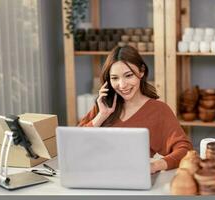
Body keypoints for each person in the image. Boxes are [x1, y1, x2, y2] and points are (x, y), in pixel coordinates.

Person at [78, 45, 193, 174]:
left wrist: (155, 166)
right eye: (115, 78)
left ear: (141, 71)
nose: (122, 85)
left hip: (134, 181)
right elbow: (76, 145)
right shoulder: (103, 107)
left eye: (128, 75)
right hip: (96, 177)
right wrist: (101, 116)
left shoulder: (159, 110)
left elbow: (185, 150)